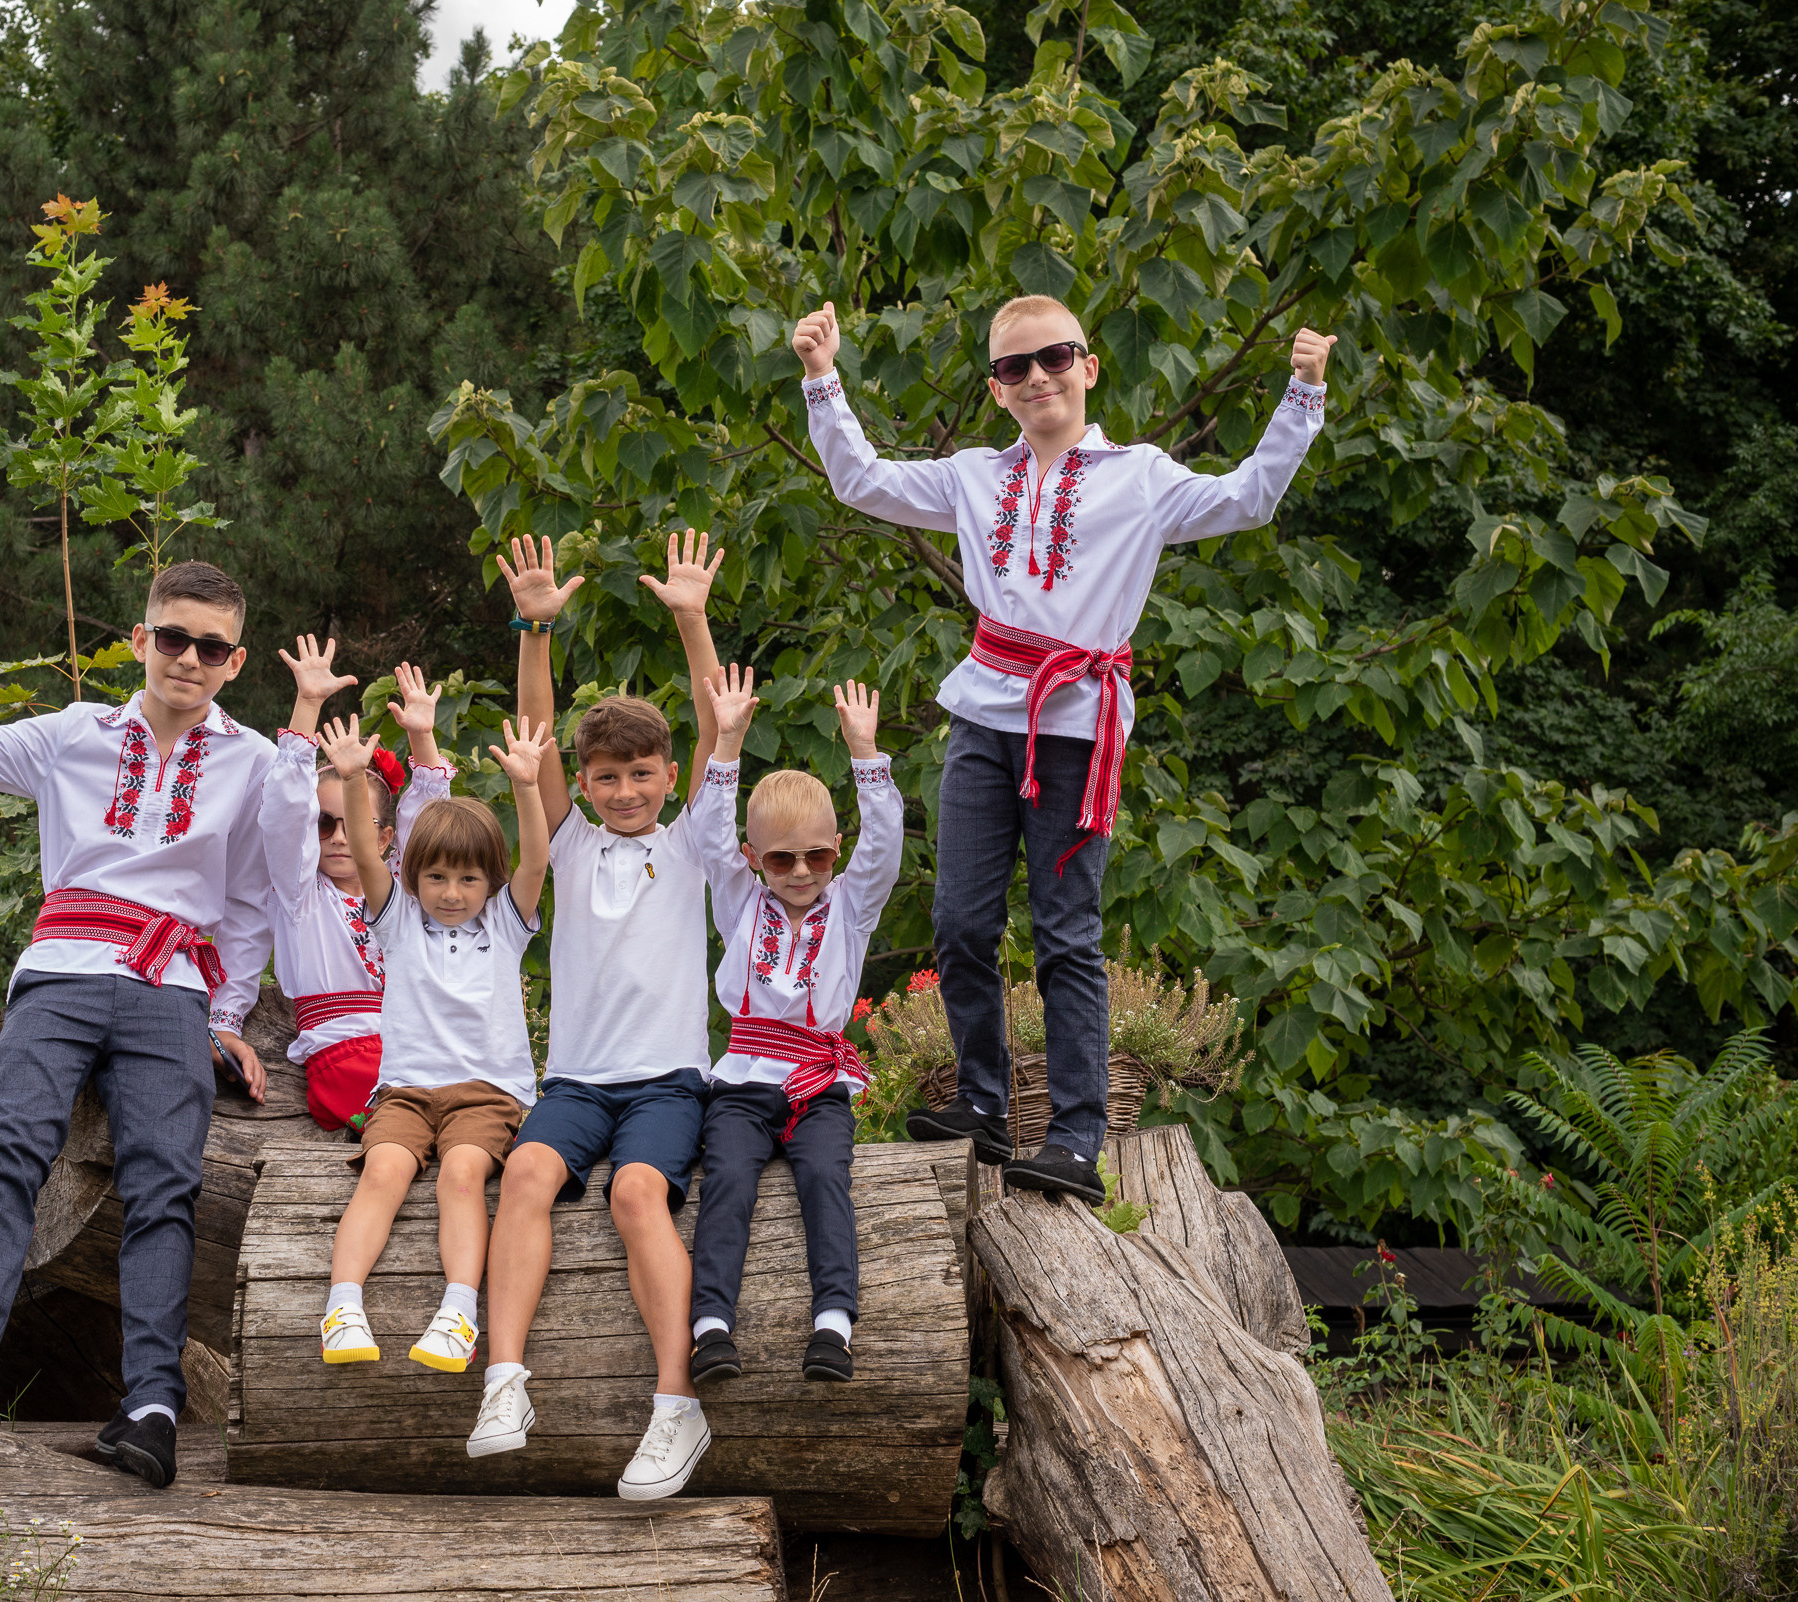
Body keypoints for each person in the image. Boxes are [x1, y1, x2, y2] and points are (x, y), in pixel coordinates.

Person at [789, 294, 1335, 1202]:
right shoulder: (971, 477)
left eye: (1054, 358)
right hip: (982, 716)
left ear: (1088, 366)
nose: (1037, 376)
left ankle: (1078, 1135)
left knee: (1066, 936)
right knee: (961, 921)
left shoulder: (1142, 476)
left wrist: (1302, 394)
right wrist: (821, 379)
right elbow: (863, 481)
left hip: (1078, 724)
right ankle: (983, 1103)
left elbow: (1249, 499)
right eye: (1014, 367)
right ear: (997, 390)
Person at [0, 530, 273, 1490]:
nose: (190, 660)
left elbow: (251, 903)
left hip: (169, 991)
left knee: (164, 1185)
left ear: (236, 660)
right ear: (142, 641)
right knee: (7, 1156)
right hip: (62, 972)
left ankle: (151, 1405)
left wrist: (227, 1015)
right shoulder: (72, 735)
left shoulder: (257, 763)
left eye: (213, 647)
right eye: (173, 639)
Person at [469, 531, 726, 1501]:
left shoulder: (695, 839)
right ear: (584, 784)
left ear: (665, 776)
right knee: (525, 1172)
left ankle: (676, 1408)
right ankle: (505, 1383)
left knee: (634, 1196)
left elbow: (714, 725)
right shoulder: (568, 843)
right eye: (607, 777)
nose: (625, 791)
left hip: (664, 1080)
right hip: (574, 1081)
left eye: (641, 774)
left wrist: (692, 620)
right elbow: (533, 738)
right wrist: (535, 628)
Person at [314, 712, 553, 1375]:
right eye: (438, 878)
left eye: (469, 879)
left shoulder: (507, 924)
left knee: (460, 1174)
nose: (452, 894)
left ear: (491, 882)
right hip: (406, 1092)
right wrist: (351, 775)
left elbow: (536, 855)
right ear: (413, 876)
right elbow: (365, 851)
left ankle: (458, 1311)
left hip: (487, 1095)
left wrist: (528, 787)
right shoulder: (399, 922)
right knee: (383, 1172)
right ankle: (342, 1304)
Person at [684, 667, 900, 1385]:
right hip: (743, 1080)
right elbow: (707, 835)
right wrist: (729, 741)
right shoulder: (738, 900)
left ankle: (833, 1325)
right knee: (728, 1183)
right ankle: (710, 1325)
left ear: (836, 850)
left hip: (818, 1083)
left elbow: (886, 846)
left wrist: (865, 754)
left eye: (818, 855)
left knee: (823, 1178)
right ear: (754, 859)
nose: (801, 870)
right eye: (782, 858)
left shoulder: (851, 905)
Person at [266, 640, 453, 1133]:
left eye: (357, 823)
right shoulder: (301, 895)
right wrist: (308, 703)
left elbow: (432, 828)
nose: (341, 838)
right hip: (346, 1056)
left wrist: (422, 736)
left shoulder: (400, 890)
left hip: (417, 1044)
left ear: (386, 837)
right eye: (324, 824)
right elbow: (285, 813)